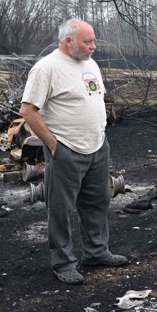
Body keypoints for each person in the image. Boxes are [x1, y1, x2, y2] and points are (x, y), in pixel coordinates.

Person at [20, 18, 128, 284]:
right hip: (66, 148)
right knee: (60, 208)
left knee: (98, 202)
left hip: (97, 145)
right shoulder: (47, 68)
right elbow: (28, 110)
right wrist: (54, 146)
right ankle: (64, 263)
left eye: (94, 41)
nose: (93, 47)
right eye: (87, 41)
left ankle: (96, 252)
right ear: (69, 41)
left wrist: (100, 136)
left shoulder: (90, 65)